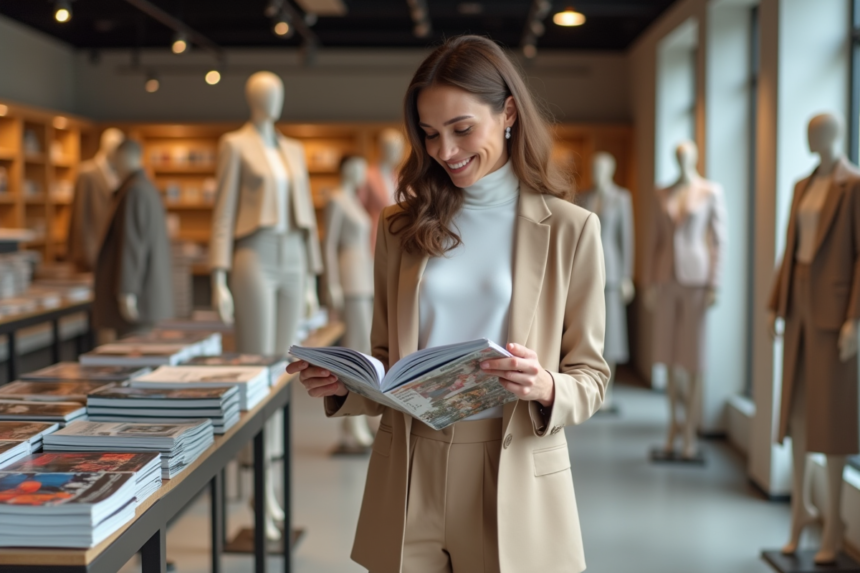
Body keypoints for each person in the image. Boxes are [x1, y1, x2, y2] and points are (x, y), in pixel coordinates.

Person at [288, 35, 609, 573]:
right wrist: (348, 386)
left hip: (511, 464)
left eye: (462, 129)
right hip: (411, 465)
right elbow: (390, 360)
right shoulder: (399, 227)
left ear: (508, 112)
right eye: (430, 135)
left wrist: (548, 385)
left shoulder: (571, 231)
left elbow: (592, 376)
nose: (445, 152)